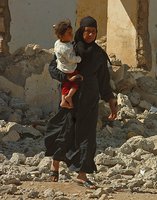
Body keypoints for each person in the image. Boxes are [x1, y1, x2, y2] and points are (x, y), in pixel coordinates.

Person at [44, 16, 117, 189]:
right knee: (65, 130)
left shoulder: (99, 54)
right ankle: (55, 166)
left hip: (90, 99)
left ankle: (82, 175)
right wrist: (67, 76)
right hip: (70, 97)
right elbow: (53, 68)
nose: (90, 34)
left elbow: (103, 80)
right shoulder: (70, 47)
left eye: (94, 31)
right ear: (81, 31)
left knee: (87, 136)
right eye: (87, 31)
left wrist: (111, 100)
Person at [53, 20, 83, 109]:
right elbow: (71, 59)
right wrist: (79, 59)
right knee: (76, 81)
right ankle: (69, 96)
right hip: (69, 68)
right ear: (61, 36)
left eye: (71, 32)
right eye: (69, 33)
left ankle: (63, 100)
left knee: (65, 84)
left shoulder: (58, 43)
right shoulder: (66, 48)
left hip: (61, 67)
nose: (71, 35)